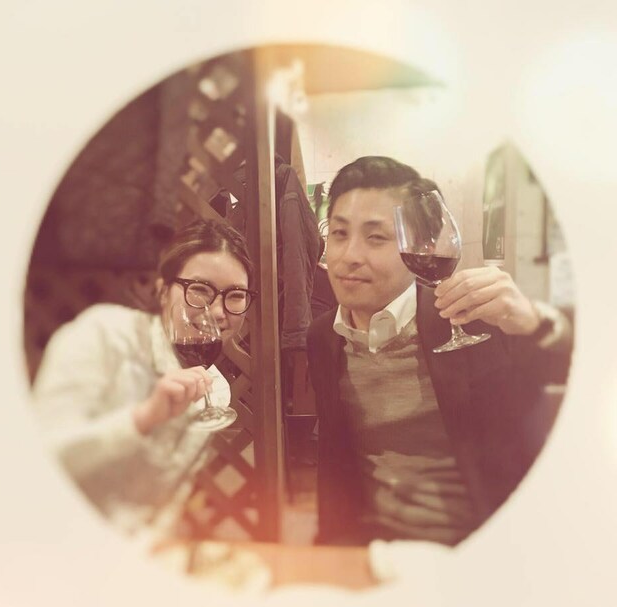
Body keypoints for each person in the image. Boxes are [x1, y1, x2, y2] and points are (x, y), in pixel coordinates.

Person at [306, 156, 573, 546]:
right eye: (339, 233)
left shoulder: (474, 322)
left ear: (418, 245)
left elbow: (570, 378)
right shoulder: (323, 338)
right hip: (378, 552)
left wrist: (535, 322)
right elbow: (335, 463)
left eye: (376, 238)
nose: (349, 256)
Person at [32, 219, 256, 538]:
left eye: (235, 295)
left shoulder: (216, 391)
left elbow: (168, 496)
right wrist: (142, 419)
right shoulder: (104, 335)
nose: (219, 312)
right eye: (200, 290)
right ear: (163, 290)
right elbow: (37, 462)